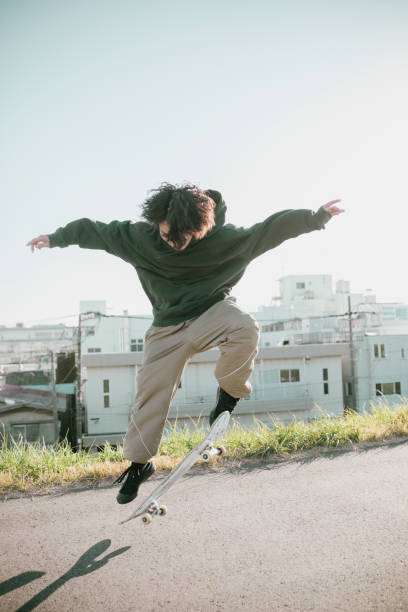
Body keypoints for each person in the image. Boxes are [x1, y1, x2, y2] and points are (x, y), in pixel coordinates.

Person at [27, 183, 344, 504]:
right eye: (167, 235)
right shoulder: (139, 239)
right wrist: (56, 238)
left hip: (213, 311)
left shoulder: (226, 240)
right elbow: (95, 230)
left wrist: (315, 218)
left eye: (186, 237)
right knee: (151, 392)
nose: (176, 244)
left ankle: (228, 397)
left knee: (245, 327)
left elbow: (270, 230)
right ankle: (140, 463)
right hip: (167, 328)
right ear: (157, 224)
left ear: (203, 227)